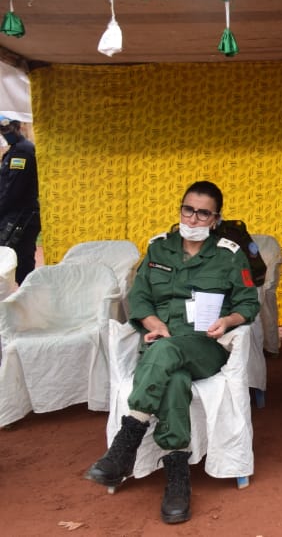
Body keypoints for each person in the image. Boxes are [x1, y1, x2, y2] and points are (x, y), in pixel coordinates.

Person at [84, 181, 259, 524]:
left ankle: (126, 442)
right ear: (180, 209)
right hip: (160, 342)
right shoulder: (158, 249)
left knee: (167, 355)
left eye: (202, 212)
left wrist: (227, 320)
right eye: (187, 209)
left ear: (215, 218)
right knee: (174, 378)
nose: (193, 218)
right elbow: (139, 298)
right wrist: (151, 321)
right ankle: (178, 479)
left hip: (205, 347)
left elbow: (248, 303)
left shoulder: (229, 254)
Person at [0, 117, 40, 283]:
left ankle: (27, 300)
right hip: (17, 217)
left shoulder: (22, 152)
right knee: (18, 262)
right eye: (2, 130)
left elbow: (13, 192)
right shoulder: (16, 149)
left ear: (18, 126)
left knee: (18, 263)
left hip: (21, 218)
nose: (5, 133)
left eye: (7, 129)